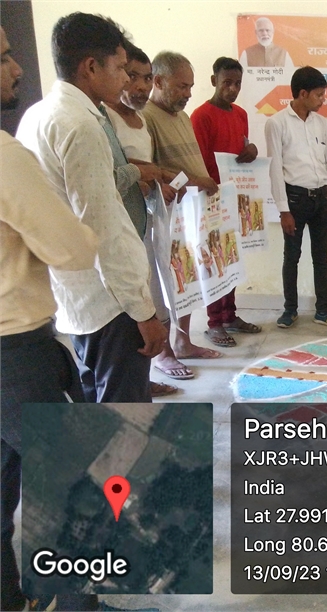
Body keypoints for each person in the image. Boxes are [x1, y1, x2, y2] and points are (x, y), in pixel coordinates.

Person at [16, 13, 168, 405]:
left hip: (74, 297)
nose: (126, 79)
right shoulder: (81, 127)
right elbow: (103, 226)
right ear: (90, 67)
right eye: (120, 68)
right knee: (125, 418)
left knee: (97, 408)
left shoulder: (39, 115)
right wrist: (142, 310)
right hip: (110, 303)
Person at [0, 26, 98, 612]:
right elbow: (71, 248)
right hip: (14, 352)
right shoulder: (4, 156)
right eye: (3, 57)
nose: (16, 68)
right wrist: (85, 231)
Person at [105, 41, 195, 385]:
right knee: (138, 293)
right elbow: (116, 169)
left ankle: (157, 361)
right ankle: (157, 360)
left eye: (145, 77)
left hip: (151, 218)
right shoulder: (105, 119)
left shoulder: (141, 120)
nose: (140, 86)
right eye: (132, 76)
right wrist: (150, 177)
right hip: (123, 221)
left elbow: (150, 165)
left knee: (161, 285)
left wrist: (160, 179)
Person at [142, 50, 223, 357]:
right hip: (166, 218)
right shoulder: (146, 118)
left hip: (193, 215)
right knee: (165, 285)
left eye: (190, 86)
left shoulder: (184, 118)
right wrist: (196, 181)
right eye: (182, 86)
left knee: (186, 282)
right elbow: (152, 172)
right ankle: (164, 354)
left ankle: (183, 342)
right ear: (158, 81)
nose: (188, 93)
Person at [265, 66, 327, 330]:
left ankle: (323, 311)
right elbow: (275, 169)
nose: (323, 100)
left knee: (321, 258)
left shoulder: (322, 123)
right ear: (302, 93)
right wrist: (283, 210)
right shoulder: (276, 123)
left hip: (320, 198)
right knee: (292, 257)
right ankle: (290, 310)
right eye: (319, 95)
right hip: (295, 200)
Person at [191, 56, 263, 347]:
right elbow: (198, 161)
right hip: (211, 199)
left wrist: (252, 149)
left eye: (237, 84)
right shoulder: (200, 116)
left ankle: (230, 316)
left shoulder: (241, 114)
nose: (232, 89)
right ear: (214, 81)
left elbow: (242, 150)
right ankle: (214, 323)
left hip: (237, 198)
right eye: (226, 83)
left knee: (232, 258)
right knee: (215, 262)